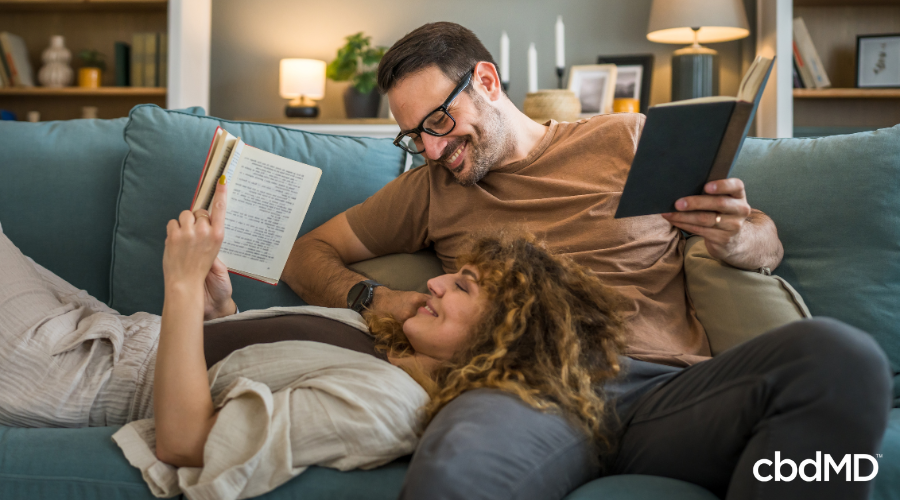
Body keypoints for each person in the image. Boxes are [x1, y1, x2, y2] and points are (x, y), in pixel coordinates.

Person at [281, 22, 893, 499]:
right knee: (457, 476)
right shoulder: (431, 188)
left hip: (665, 393)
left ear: (487, 82)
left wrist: (738, 240)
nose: (435, 148)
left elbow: (765, 240)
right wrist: (372, 298)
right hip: (526, 395)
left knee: (841, 358)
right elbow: (307, 251)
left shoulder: (625, 141)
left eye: (441, 120)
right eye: (415, 136)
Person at [0, 177, 630, 498]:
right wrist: (219, 305)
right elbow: (241, 370)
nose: (437, 285)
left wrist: (183, 286)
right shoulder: (394, 351)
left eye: (462, 288)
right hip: (111, 331)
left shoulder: (384, 406)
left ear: (500, 341)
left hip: (76, 372)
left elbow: (187, 441)